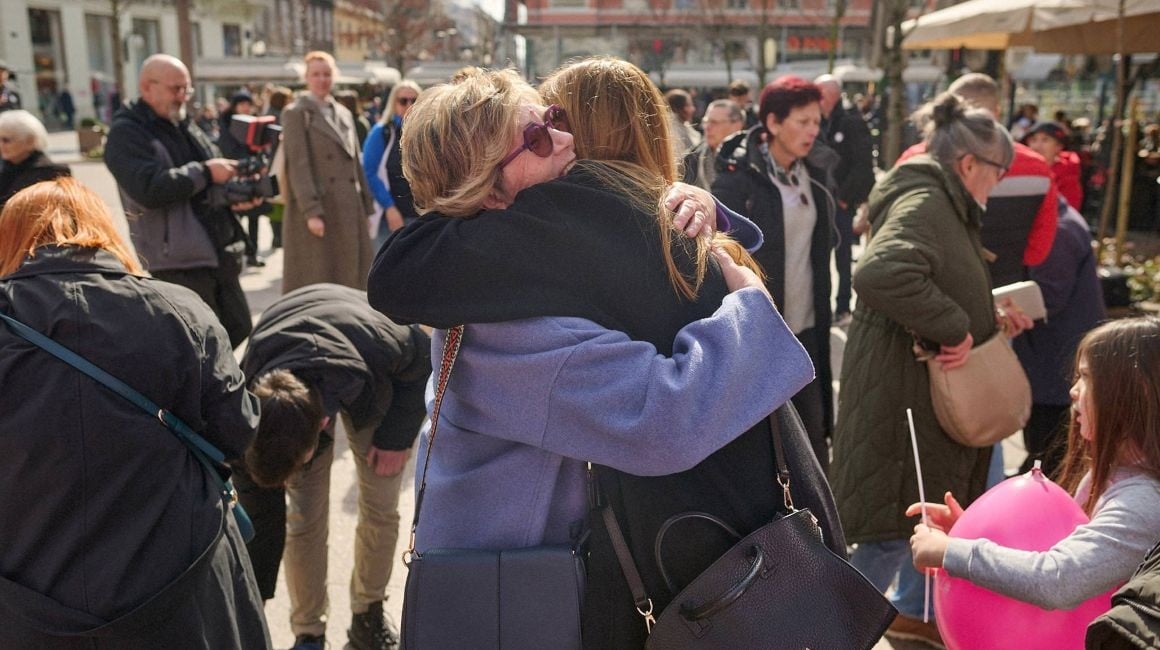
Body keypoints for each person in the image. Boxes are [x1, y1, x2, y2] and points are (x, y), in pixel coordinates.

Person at [370, 61, 842, 649]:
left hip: (526, 570)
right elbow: (663, 417)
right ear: (486, 189)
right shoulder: (505, 327)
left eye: (554, 118)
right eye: (538, 137)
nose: (566, 139)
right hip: (509, 593)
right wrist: (750, 308)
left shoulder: (509, 266)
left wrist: (688, 203)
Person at [0, 178, 269, 648]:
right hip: (180, 580)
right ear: (106, 230)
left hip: (29, 594)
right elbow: (237, 432)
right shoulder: (179, 310)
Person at [829, 91, 1031, 647]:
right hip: (904, 405)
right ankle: (826, 637)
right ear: (970, 165)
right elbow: (881, 272)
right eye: (999, 172)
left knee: (901, 531)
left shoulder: (939, 199)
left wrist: (983, 316)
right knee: (888, 537)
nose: (999, 184)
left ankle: (893, 622)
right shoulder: (928, 199)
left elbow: (928, 274)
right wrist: (955, 326)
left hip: (913, 398)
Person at [910, 317, 1160, 614]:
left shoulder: (1141, 503)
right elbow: (1065, 556)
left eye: (1087, 377)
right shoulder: (1116, 478)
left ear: (1138, 392)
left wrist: (952, 552)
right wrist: (970, 534)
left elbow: (1058, 579)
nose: (1073, 390)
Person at [233, 284, 430, 650]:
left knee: (381, 505)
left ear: (320, 427)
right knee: (304, 517)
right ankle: (308, 633)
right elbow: (263, 514)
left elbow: (422, 362)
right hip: (293, 366)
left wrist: (396, 438)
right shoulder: (248, 402)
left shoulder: (385, 345)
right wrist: (252, 608)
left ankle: (367, 617)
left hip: (371, 369)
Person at [712, 76, 836, 472]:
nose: (812, 131)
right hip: (761, 331)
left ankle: (818, 530)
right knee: (766, 449)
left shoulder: (813, 175)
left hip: (808, 326)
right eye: (802, 121)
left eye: (817, 122)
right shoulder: (737, 182)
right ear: (773, 122)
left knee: (814, 442)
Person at [104, 54, 254, 347]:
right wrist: (206, 172)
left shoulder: (183, 123)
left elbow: (206, 184)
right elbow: (149, 189)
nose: (183, 97)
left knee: (238, 328)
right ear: (147, 87)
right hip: (177, 260)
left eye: (187, 89)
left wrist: (234, 197)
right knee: (202, 345)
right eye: (176, 89)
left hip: (217, 250)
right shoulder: (126, 133)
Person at [898, 74, 1058, 287]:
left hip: (932, 292)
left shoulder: (916, 158)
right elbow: (1038, 252)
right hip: (1005, 293)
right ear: (997, 111)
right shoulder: (1038, 168)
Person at [1014, 197, 1106, 476]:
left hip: (1055, 362)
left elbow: (1047, 295)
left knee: (1048, 453)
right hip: (1057, 358)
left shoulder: (1060, 230)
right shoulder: (1063, 221)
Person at [280, 51, 374, 294]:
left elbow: (355, 162)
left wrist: (366, 205)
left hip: (349, 206)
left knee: (353, 278)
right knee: (319, 278)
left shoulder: (343, 112)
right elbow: (298, 166)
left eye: (327, 74)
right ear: (306, 78)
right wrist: (311, 211)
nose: (322, 79)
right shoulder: (295, 113)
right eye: (316, 74)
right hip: (320, 207)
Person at [815, 74, 875, 321]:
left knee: (841, 257)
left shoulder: (851, 121)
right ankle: (823, 306)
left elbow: (862, 165)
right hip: (819, 200)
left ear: (832, 96)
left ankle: (842, 306)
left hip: (840, 203)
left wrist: (845, 198)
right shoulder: (816, 121)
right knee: (819, 256)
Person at [362, 80, 421, 242]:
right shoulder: (382, 132)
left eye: (414, 101)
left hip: (421, 217)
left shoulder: (427, 133)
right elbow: (369, 172)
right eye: (403, 101)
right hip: (389, 218)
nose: (409, 105)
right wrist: (389, 207)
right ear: (393, 103)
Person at [217, 90, 270, 268]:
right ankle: (238, 252)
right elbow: (226, 147)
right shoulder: (227, 123)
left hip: (252, 174)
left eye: (248, 104)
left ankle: (252, 253)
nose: (246, 108)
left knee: (254, 216)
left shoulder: (255, 123)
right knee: (235, 218)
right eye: (242, 104)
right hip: (234, 174)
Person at [0, 109, 70, 210]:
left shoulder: (52, 173)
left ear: (30, 141)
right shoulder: (5, 170)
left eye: (6, 140)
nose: (1, 145)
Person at [683, 98, 744, 190]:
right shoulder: (691, 160)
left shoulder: (749, 160)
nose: (707, 127)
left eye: (714, 122)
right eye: (706, 122)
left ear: (736, 125)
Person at [1024, 121, 1084, 210]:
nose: (1037, 146)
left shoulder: (1068, 178)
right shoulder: (1022, 170)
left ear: (1059, 146)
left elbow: (1066, 215)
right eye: (1033, 140)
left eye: (1045, 140)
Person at [263, 85, 293, 249]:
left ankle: (276, 236)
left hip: (270, 164)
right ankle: (279, 236)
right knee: (278, 200)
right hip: (278, 164)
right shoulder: (281, 117)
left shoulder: (269, 115)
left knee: (274, 201)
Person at [664, 88, 700, 157]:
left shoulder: (683, 125)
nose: (693, 109)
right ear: (679, 108)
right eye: (689, 105)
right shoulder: (674, 131)